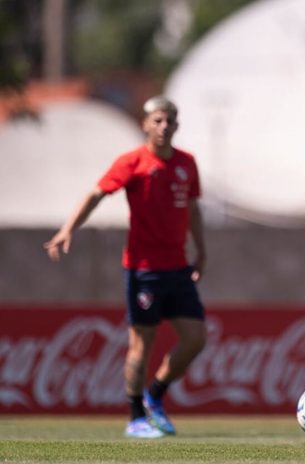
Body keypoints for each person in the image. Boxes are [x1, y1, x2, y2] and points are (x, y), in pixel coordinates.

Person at [44, 96, 207, 439]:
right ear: (146, 124)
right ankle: (135, 418)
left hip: (177, 267)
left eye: (170, 121)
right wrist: (68, 229)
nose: (164, 127)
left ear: (177, 126)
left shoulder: (186, 163)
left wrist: (201, 250)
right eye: (158, 121)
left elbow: (192, 210)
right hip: (142, 269)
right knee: (141, 344)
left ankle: (155, 395)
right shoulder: (132, 161)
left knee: (195, 338)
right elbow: (96, 194)